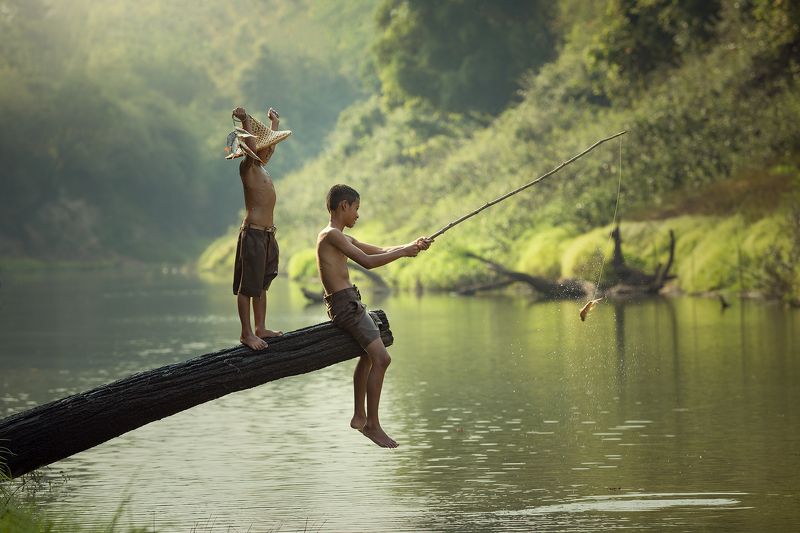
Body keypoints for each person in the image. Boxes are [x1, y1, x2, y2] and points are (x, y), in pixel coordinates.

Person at [316, 184, 431, 448]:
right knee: (382, 358)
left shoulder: (339, 236)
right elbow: (367, 263)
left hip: (350, 303)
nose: (357, 214)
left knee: (369, 356)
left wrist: (411, 245)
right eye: (356, 208)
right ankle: (372, 425)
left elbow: (376, 250)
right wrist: (402, 253)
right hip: (346, 306)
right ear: (344, 206)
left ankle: (359, 415)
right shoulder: (330, 235)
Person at [230, 106, 291, 350]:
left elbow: (267, 146)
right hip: (253, 233)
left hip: (267, 234)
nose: (266, 151)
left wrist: (274, 124)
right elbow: (254, 148)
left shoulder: (262, 168)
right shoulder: (248, 167)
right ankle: (246, 333)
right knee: (247, 286)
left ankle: (260, 327)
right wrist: (245, 120)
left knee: (262, 284)